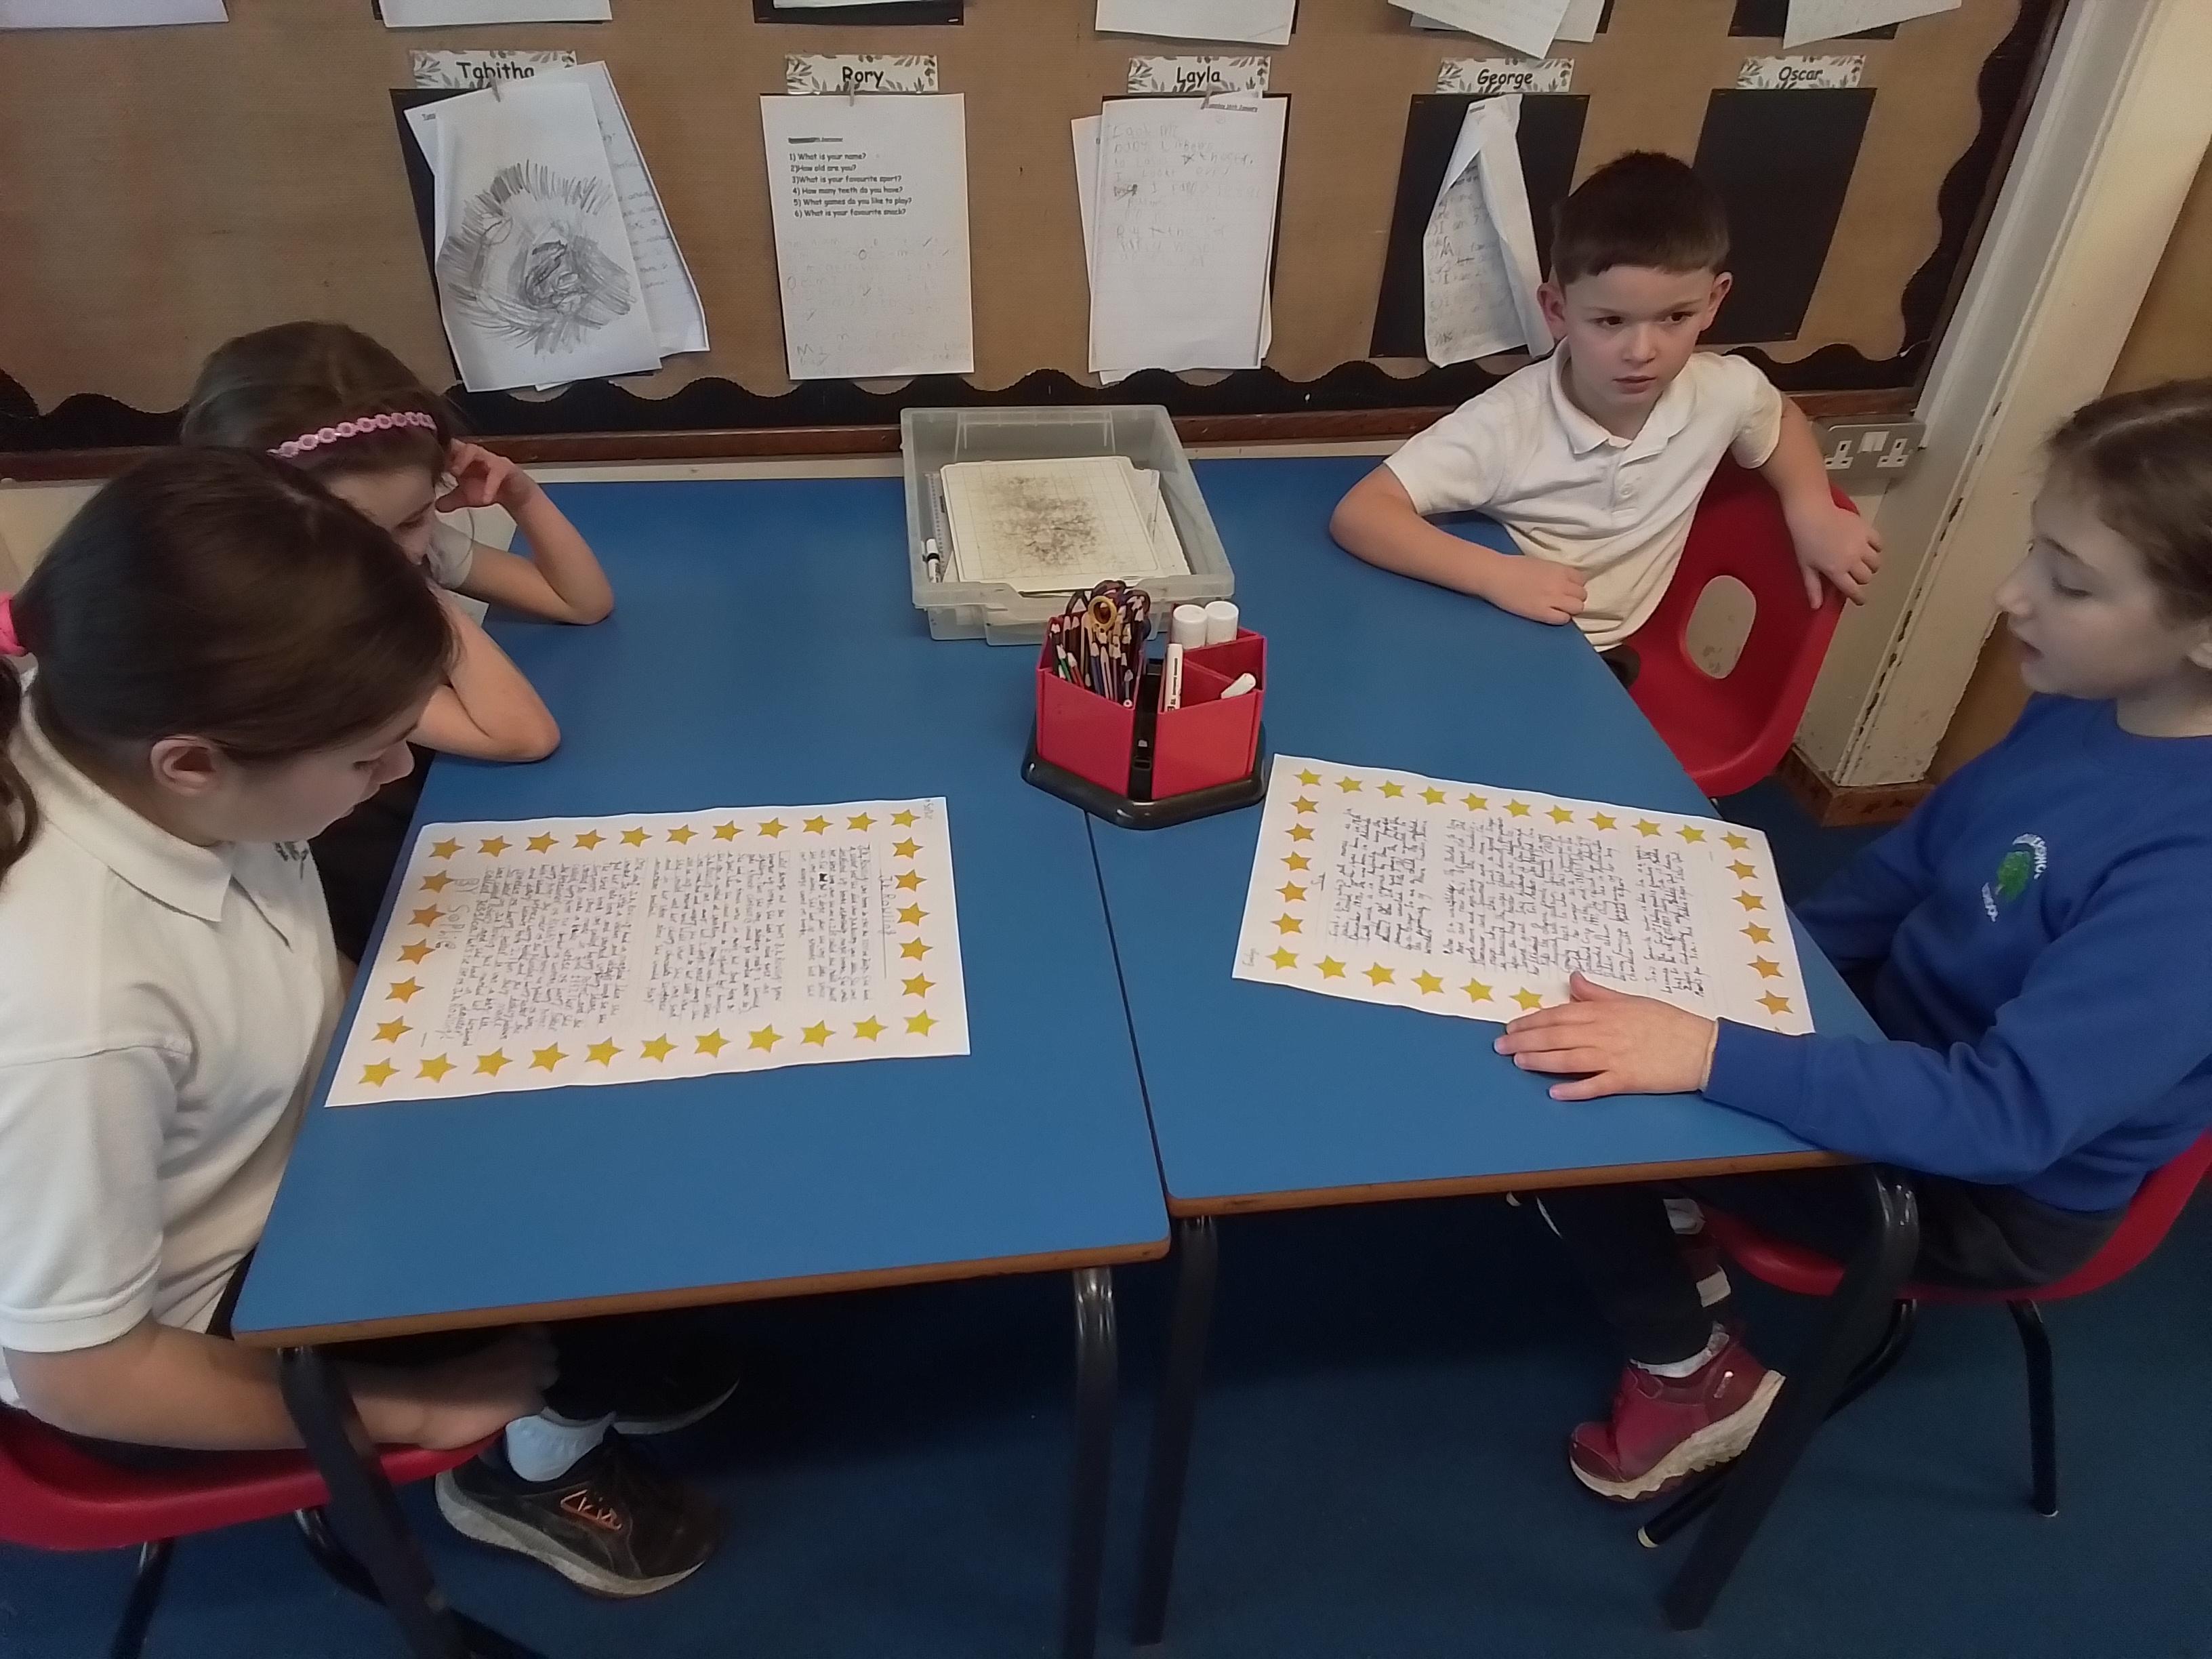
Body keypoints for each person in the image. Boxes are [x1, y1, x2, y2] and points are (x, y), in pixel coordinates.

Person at [0, 450, 724, 1595]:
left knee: (639, 1108)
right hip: (211, 1325)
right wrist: (398, 1402)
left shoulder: (134, 732)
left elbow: (275, 954)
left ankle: (611, 1357)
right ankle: (530, 1463)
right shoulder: (75, 1008)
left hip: (295, 1139)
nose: (395, 770)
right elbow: (83, 1376)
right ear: (192, 764)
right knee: (636, 1192)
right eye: (362, 753)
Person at [1495, 379, 2212, 1502]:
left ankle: (1694, 1381)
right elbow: (1915, 863)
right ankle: (1678, 1209)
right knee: (1584, 995)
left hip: (1985, 1188)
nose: (2013, 594)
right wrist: (1748, 962)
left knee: (1575, 1102)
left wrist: (1707, 1051)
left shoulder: (2189, 875)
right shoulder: (2089, 693)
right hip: (1895, 1034)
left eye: (2069, 582)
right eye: (2035, 549)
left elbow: (2003, 1118)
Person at [1329, 151, 1881, 684]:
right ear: (1558, 310)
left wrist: (1812, 506)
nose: (1642, 351)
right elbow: (1363, 513)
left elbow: (1777, 416)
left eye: (1675, 317)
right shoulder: (1509, 422)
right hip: (1496, 633)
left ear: (1714, 300)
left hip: (1600, 660)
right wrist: (1495, 576)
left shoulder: (1723, 391)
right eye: (1611, 321)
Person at [181, 321, 613, 960]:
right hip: (358, 858)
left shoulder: (402, 543)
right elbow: (523, 735)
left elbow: (580, 602)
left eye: (413, 518)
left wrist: (521, 497)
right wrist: (410, 590)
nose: (396, 551)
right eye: (358, 535)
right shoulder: (300, 633)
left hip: (428, 804)